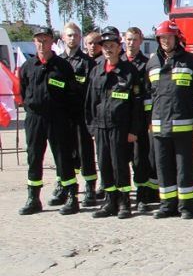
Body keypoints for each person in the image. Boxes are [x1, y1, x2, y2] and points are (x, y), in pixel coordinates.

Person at [147, 20, 193, 219]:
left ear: (177, 38)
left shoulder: (190, 61)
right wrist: (148, 120)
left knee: (184, 167)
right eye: (162, 37)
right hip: (159, 126)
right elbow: (147, 96)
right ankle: (167, 205)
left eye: (169, 37)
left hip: (183, 125)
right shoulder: (152, 63)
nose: (165, 41)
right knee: (163, 166)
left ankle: (186, 206)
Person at [17, 28, 81, 216]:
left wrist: (69, 119)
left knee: (63, 157)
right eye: (38, 40)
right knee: (34, 157)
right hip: (35, 119)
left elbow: (72, 95)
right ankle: (33, 198)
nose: (42, 44)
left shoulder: (62, 66)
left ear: (52, 41)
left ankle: (71, 197)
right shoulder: (28, 66)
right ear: (34, 42)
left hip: (58, 118)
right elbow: (23, 91)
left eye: (45, 40)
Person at [85, 26, 145, 219]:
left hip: (121, 128)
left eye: (112, 45)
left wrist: (134, 129)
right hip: (101, 127)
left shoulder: (129, 72)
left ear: (119, 47)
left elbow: (137, 104)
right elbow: (89, 103)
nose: (108, 49)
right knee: (104, 164)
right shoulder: (96, 71)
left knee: (120, 164)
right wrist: (92, 127)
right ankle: (109, 202)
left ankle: (125, 202)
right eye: (105, 46)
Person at [59, 22, 100, 208]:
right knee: (64, 153)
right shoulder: (58, 62)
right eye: (69, 35)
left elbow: (92, 92)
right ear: (63, 38)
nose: (72, 38)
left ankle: (90, 187)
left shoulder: (88, 63)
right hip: (62, 116)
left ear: (80, 38)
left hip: (81, 115)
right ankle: (64, 186)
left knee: (85, 152)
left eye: (75, 35)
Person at [122, 27, 158, 211]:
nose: (131, 43)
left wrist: (148, 119)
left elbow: (150, 93)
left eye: (135, 39)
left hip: (141, 120)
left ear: (141, 40)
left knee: (140, 159)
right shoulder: (116, 62)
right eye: (128, 39)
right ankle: (123, 197)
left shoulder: (147, 64)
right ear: (123, 39)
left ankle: (142, 196)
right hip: (120, 120)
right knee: (121, 159)